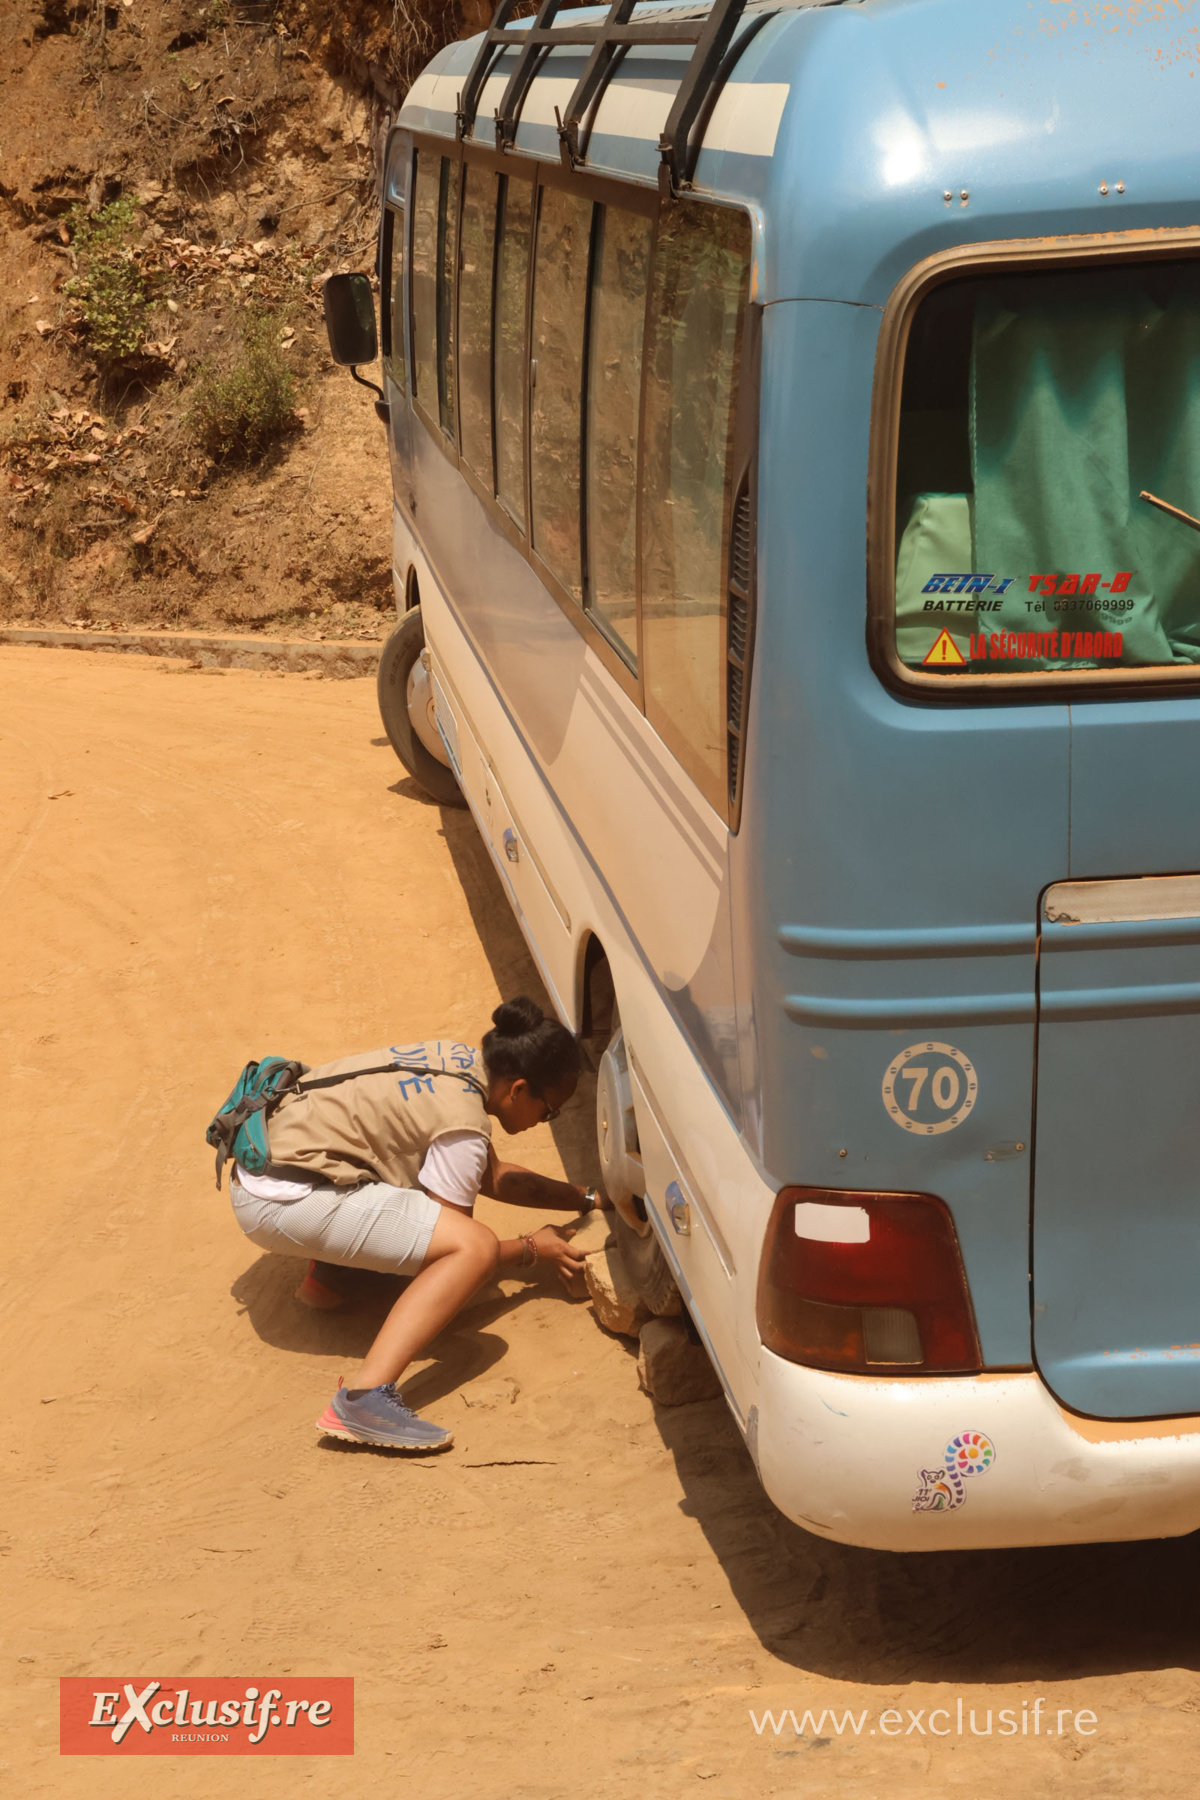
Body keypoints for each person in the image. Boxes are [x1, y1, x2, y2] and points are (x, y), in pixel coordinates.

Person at [229, 996, 602, 1451]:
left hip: (271, 1160)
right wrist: (530, 1249)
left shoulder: (461, 1063)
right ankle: (362, 1401)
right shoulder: (463, 1126)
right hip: (283, 1201)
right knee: (472, 1249)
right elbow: (453, 1250)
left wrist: (583, 1198)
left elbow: (493, 1175)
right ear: (519, 1089)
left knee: (417, 1191)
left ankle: (331, 1277)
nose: (547, 1119)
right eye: (550, 1109)